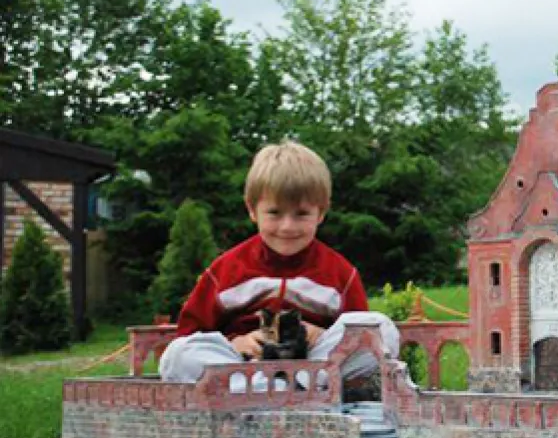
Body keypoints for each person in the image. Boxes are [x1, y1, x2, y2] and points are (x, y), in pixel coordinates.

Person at [158, 140, 399, 390]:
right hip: (242, 369)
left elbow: (354, 336)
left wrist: (318, 337)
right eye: (274, 213)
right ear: (252, 210)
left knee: (379, 328)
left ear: (321, 213)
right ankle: (266, 393)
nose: (287, 227)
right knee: (178, 354)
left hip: (313, 368)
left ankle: (300, 390)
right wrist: (236, 344)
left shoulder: (340, 273)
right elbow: (190, 333)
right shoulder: (225, 271)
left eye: (301, 214)